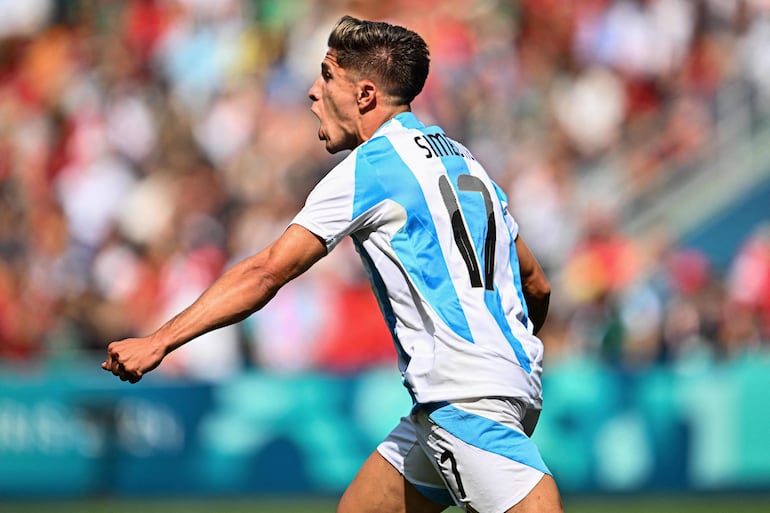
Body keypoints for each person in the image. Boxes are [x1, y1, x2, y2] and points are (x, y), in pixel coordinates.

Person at [102, 15, 563, 513]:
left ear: (364, 95)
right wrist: (502, 359)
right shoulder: (466, 163)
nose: (312, 91)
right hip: (492, 390)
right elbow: (535, 284)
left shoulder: (373, 167)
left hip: (464, 400)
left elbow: (265, 272)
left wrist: (159, 341)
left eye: (326, 76)